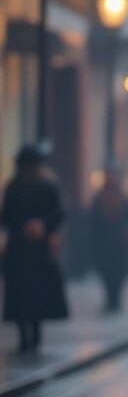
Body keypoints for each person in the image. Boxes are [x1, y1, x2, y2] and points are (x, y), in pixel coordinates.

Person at [1, 143, 69, 350]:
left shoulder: (48, 186)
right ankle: (24, 337)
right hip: (19, 249)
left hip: (39, 250)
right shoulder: (13, 187)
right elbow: (6, 217)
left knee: (37, 295)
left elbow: (58, 213)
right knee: (20, 295)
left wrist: (43, 226)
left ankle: (35, 335)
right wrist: (22, 227)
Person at [87, 163, 128, 312]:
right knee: (106, 272)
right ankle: (110, 299)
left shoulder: (124, 198)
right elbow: (93, 221)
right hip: (104, 243)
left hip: (120, 244)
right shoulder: (99, 198)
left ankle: (116, 299)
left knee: (119, 273)